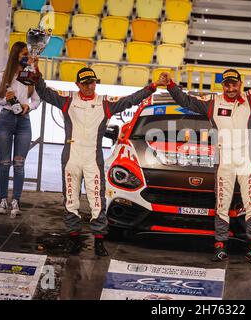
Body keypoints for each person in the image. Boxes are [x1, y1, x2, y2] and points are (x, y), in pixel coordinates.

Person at [159, 53, 251, 264]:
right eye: (226, 85)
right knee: (222, 205)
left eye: (234, 84)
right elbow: (186, 101)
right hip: (224, 164)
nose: (230, 88)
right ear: (222, 86)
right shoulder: (212, 102)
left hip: (246, 163)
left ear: (240, 84)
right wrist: (171, 85)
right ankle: (220, 247)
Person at [33, 65, 164, 256]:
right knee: (71, 199)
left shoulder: (105, 103)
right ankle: (74, 239)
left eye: (92, 82)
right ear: (77, 84)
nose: (89, 86)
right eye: (85, 83)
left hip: (93, 158)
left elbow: (130, 100)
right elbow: (44, 92)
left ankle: (99, 242)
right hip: (71, 157)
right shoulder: (68, 100)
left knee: (97, 201)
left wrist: (153, 86)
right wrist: (36, 72)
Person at [0, 41, 41, 217]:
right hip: (5, 120)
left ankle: (16, 202)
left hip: (23, 122)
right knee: (5, 164)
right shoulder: (3, 76)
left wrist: (29, 106)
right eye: (24, 54)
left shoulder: (30, 75)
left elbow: (37, 100)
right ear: (16, 55)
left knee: (19, 164)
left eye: (27, 53)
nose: (27, 56)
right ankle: (3, 200)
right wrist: (6, 99)